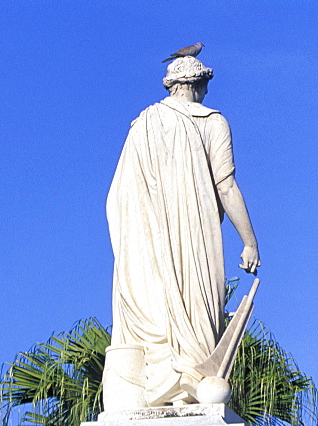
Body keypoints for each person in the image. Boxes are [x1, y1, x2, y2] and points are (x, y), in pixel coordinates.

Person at [106, 57, 260, 407]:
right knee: (196, 317)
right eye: (206, 84)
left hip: (147, 247)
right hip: (194, 241)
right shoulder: (213, 122)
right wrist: (249, 241)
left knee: (160, 305)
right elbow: (226, 185)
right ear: (196, 84)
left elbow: (117, 199)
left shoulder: (143, 124)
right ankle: (189, 383)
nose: (207, 91)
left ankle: (165, 385)